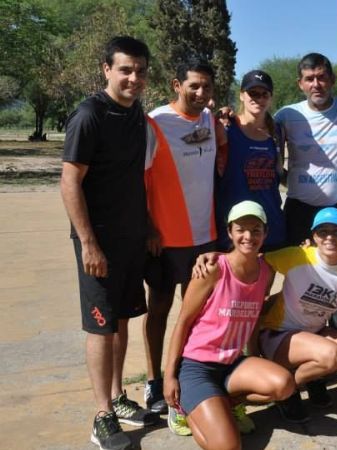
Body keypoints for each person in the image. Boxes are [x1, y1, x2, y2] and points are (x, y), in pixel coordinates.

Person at [61, 35, 156, 450]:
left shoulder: (137, 116)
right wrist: (89, 244)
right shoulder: (89, 115)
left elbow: (134, 178)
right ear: (106, 70)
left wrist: (148, 225)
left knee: (120, 321)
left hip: (133, 238)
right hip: (98, 244)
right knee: (100, 328)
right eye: (125, 70)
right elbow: (69, 182)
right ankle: (101, 414)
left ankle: (118, 397)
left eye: (139, 70)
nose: (133, 78)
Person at [163, 201, 294, 450]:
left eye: (256, 230)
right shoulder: (213, 269)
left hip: (232, 364)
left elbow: (254, 319)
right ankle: (184, 408)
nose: (248, 236)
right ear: (230, 232)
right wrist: (169, 377)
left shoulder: (265, 271)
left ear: (265, 233)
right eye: (241, 229)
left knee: (284, 384)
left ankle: (221, 402)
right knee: (229, 447)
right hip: (197, 366)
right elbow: (182, 322)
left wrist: (254, 357)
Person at [142, 58, 226, 429]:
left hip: (204, 237)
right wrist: (148, 228)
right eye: (193, 86)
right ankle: (152, 382)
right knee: (158, 309)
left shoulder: (210, 119)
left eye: (207, 87)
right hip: (165, 238)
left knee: (195, 314)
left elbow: (223, 147)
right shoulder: (156, 122)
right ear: (177, 84)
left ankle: (189, 377)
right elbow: (138, 178)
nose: (201, 93)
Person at [256, 207, 337, 422]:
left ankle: (312, 377)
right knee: (332, 355)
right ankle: (287, 391)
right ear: (313, 236)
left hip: (313, 333)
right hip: (278, 334)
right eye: (322, 231)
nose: (329, 237)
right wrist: (264, 292)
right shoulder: (297, 256)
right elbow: (262, 260)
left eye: (336, 231)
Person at [274, 53, 337, 247]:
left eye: (322, 77)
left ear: (332, 79)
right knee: (296, 272)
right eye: (309, 79)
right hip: (299, 211)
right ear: (300, 84)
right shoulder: (286, 115)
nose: (316, 84)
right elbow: (260, 135)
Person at [215, 70, 286, 252]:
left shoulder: (277, 131)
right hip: (236, 229)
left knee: (263, 279)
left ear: (270, 97)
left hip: (269, 225)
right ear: (241, 95)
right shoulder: (226, 127)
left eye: (264, 94)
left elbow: (279, 173)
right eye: (252, 93)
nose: (258, 99)